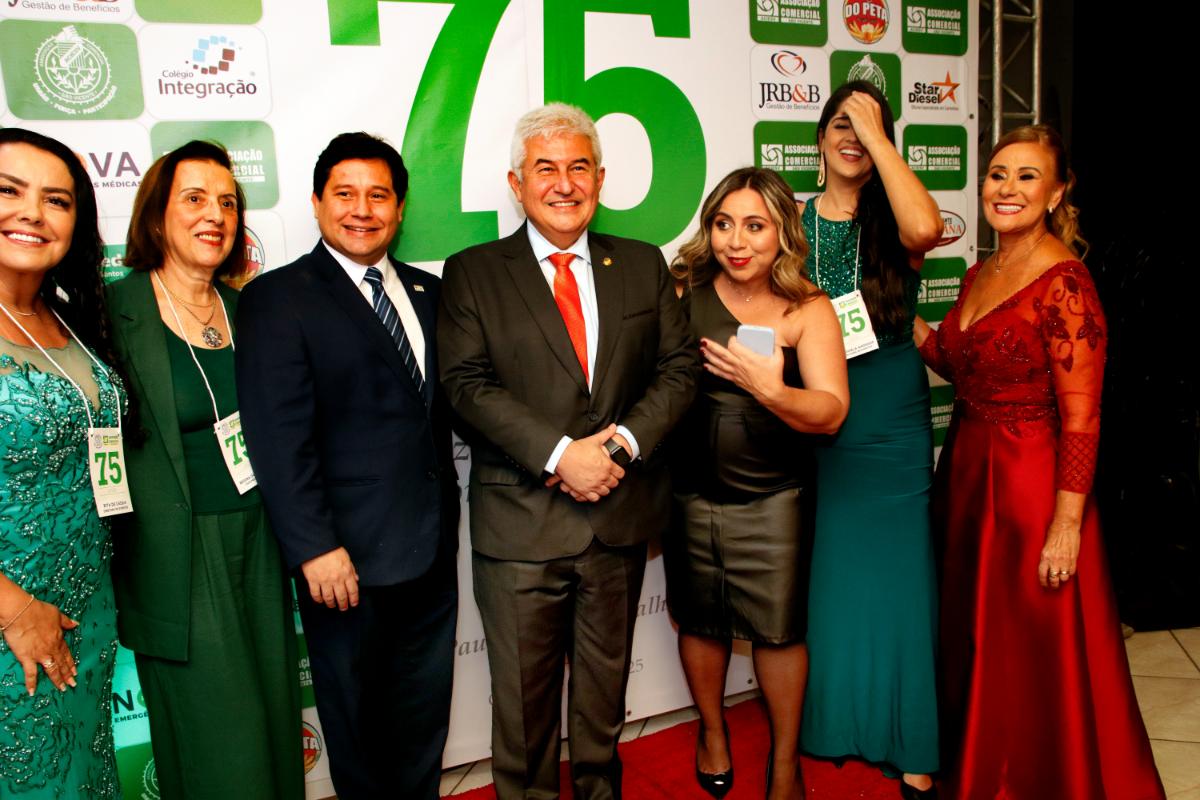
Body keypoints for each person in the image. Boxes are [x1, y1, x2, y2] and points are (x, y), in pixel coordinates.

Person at [438, 103, 698, 800]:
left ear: (600, 179)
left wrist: (619, 447)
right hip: (521, 528)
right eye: (545, 168)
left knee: (603, 703)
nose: (563, 183)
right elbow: (464, 385)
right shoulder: (472, 272)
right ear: (516, 184)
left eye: (578, 167)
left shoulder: (640, 264)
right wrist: (560, 455)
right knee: (523, 715)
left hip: (616, 521)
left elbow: (679, 370)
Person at [915, 124, 1165, 799]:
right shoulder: (981, 272)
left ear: (1056, 193)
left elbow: (1083, 416)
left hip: (1029, 489)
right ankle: (979, 768)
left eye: (1027, 176)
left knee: (1030, 647)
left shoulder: (1066, 283)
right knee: (978, 638)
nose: (1008, 188)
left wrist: (1066, 525)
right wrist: (893, 319)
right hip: (968, 475)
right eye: (998, 174)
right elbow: (957, 362)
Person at [236, 132, 459, 800]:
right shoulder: (278, 297)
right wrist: (314, 547)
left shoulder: (429, 291)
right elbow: (277, 436)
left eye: (378, 195)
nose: (362, 209)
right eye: (345, 194)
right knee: (359, 728)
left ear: (400, 208)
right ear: (316, 202)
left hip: (430, 548)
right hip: (344, 562)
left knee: (423, 717)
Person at [106, 140, 303, 799]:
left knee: (275, 725)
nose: (214, 215)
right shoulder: (111, 315)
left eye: (227, 202)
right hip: (179, 556)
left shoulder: (251, 311)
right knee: (221, 746)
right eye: (194, 198)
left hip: (263, 542)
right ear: (156, 214)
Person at [666, 167, 848, 800]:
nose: (736, 242)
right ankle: (712, 732)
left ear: (783, 233)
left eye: (754, 226)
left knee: (778, 632)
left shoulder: (808, 307)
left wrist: (771, 390)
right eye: (723, 224)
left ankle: (785, 765)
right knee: (699, 621)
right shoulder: (682, 288)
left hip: (776, 499)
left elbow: (831, 410)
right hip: (690, 493)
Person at [797, 80, 944, 799]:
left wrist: (878, 137)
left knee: (902, 576)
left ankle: (909, 735)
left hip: (889, 412)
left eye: (869, 126)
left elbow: (927, 231)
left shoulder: (896, 219)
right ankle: (837, 722)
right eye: (841, 123)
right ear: (819, 137)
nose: (852, 137)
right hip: (817, 410)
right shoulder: (790, 219)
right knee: (834, 573)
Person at [0, 127, 127, 798]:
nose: (33, 213)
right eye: (8, 191)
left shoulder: (67, 316)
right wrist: (15, 609)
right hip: (12, 623)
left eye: (57, 200)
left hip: (87, 608)